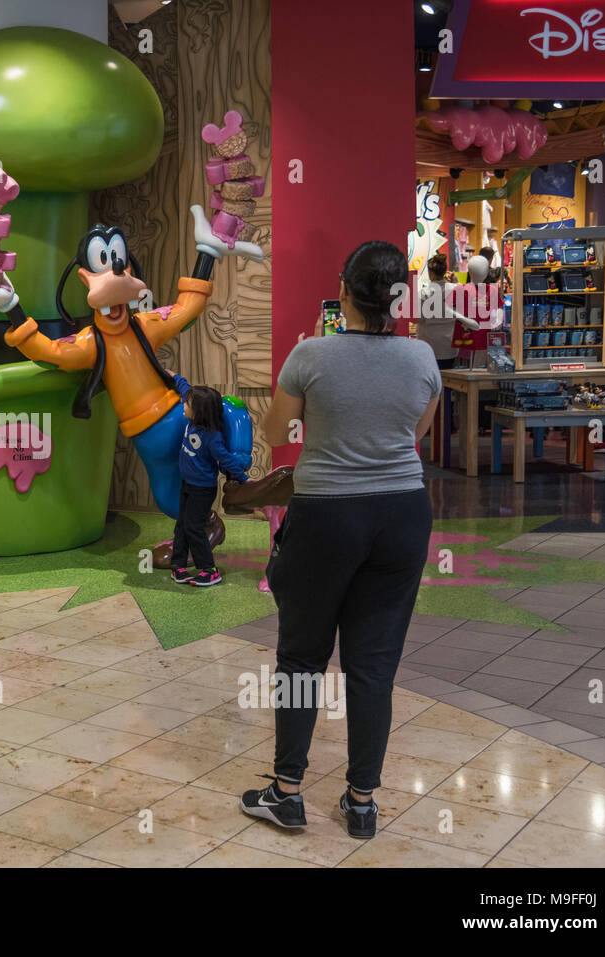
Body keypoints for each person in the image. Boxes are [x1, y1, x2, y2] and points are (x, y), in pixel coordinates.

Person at [239, 240, 441, 840]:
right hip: (403, 515)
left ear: (342, 289)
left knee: (301, 655)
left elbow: (277, 432)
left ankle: (286, 793)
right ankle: (360, 803)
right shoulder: (422, 357)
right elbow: (416, 432)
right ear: (396, 297)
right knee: (373, 665)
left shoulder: (310, 354)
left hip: (326, 515)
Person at [165, 373, 250, 587]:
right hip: (188, 484)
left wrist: (244, 479)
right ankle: (179, 565)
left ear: (200, 411)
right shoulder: (193, 418)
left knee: (194, 526)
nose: (184, 404)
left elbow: (227, 461)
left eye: (188, 404)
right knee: (182, 525)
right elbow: (185, 388)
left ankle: (209, 570)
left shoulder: (212, 437)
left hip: (202, 490)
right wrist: (175, 376)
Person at [416, 253, 460, 370]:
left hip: (428, 344)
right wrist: (456, 282)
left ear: (430, 273)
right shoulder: (455, 290)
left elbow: (418, 318)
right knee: (448, 381)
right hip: (449, 346)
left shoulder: (424, 293)